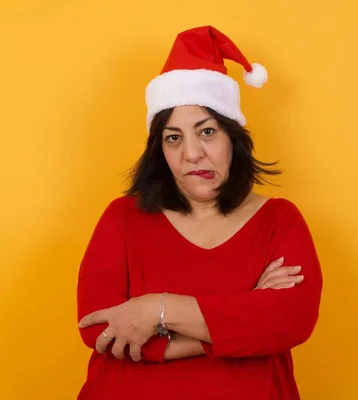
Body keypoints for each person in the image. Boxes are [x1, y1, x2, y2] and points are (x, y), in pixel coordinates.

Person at [76, 25, 323, 400]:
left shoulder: (279, 220)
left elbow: (289, 321)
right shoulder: (122, 218)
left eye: (206, 132)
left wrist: (155, 310)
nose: (191, 153)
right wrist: (243, 312)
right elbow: (100, 329)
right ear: (159, 150)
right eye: (173, 137)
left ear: (233, 138)